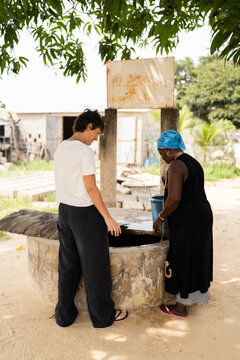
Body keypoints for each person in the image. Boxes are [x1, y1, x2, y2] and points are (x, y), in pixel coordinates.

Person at [54, 109, 128, 328]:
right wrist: (108, 218)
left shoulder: (61, 148)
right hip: (84, 214)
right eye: (97, 133)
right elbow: (90, 188)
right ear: (88, 126)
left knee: (68, 265)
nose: (96, 139)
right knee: (96, 267)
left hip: (64, 211)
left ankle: (64, 315)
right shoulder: (84, 152)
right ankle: (103, 316)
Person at [153, 130, 213, 319]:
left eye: (161, 152)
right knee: (196, 254)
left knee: (183, 256)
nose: (161, 156)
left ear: (169, 150)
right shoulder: (194, 162)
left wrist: (161, 217)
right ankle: (192, 296)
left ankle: (180, 307)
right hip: (202, 215)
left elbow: (175, 199)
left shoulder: (176, 166)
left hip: (188, 219)